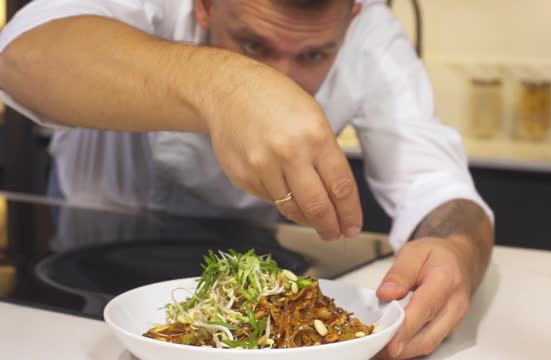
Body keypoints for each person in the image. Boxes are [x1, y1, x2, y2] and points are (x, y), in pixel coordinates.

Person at [0, 0, 494, 358]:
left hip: (257, 291)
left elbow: (436, 186)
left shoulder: (375, 40)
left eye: (314, 56)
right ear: (205, 7)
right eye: (254, 44)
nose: (282, 79)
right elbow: (20, 56)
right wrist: (225, 85)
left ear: (353, 16)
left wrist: (457, 250)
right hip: (85, 270)